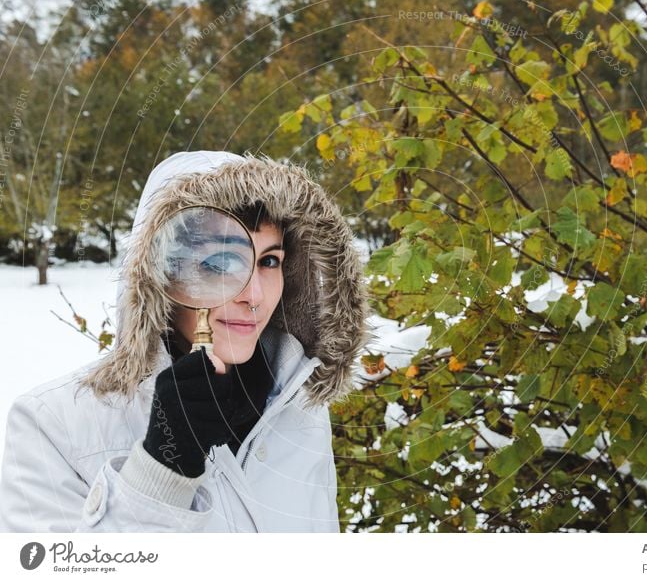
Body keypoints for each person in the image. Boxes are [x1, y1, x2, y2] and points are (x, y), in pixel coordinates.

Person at [0, 151, 372, 532]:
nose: (254, 294)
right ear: (159, 274)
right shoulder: (54, 426)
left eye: (270, 261)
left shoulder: (297, 404)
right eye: (221, 263)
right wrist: (162, 468)